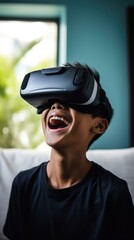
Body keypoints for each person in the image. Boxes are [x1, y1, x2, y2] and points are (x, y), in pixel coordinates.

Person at [3, 63, 134, 240]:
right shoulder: (23, 185)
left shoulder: (113, 193)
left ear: (98, 125)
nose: (56, 106)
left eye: (71, 100)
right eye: (50, 102)